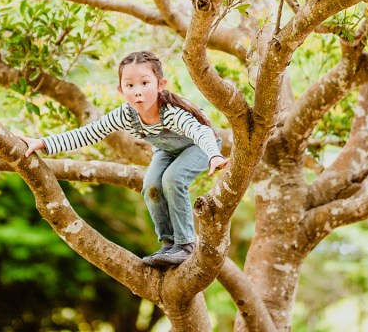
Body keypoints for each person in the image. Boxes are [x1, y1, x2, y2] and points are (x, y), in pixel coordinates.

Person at [20, 51, 228, 266]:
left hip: (201, 146)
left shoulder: (172, 111)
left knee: (173, 179)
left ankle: (185, 245)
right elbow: (88, 133)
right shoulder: (126, 114)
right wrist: (43, 143)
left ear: (160, 84)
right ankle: (169, 244)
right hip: (167, 151)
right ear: (120, 90)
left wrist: (213, 155)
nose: (137, 92)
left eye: (145, 83)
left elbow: (200, 132)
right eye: (130, 86)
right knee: (151, 186)